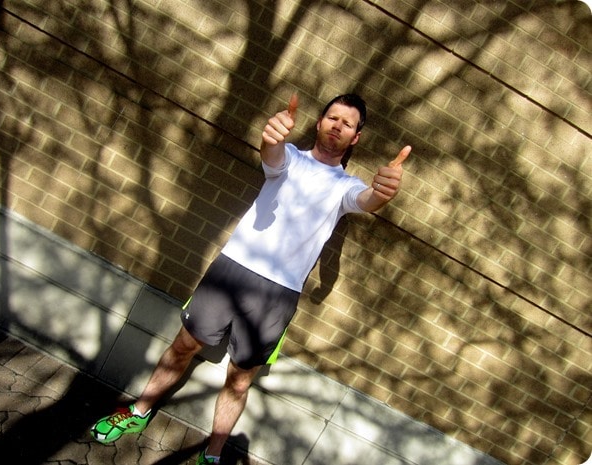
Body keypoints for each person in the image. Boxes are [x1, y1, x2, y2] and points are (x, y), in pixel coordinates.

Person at [90, 93, 411, 464]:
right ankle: (138, 411)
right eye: (332, 118)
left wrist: (382, 192)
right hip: (232, 269)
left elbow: (366, 199)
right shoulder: (290, 157)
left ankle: (212, 455)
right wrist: (270, 138)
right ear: (319, 122)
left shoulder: (345, 186)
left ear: (355, 137)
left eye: (347, 123)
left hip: (278, 294)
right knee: (182, 346)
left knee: (240, 379)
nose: (337, 126)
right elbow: (272, 155)